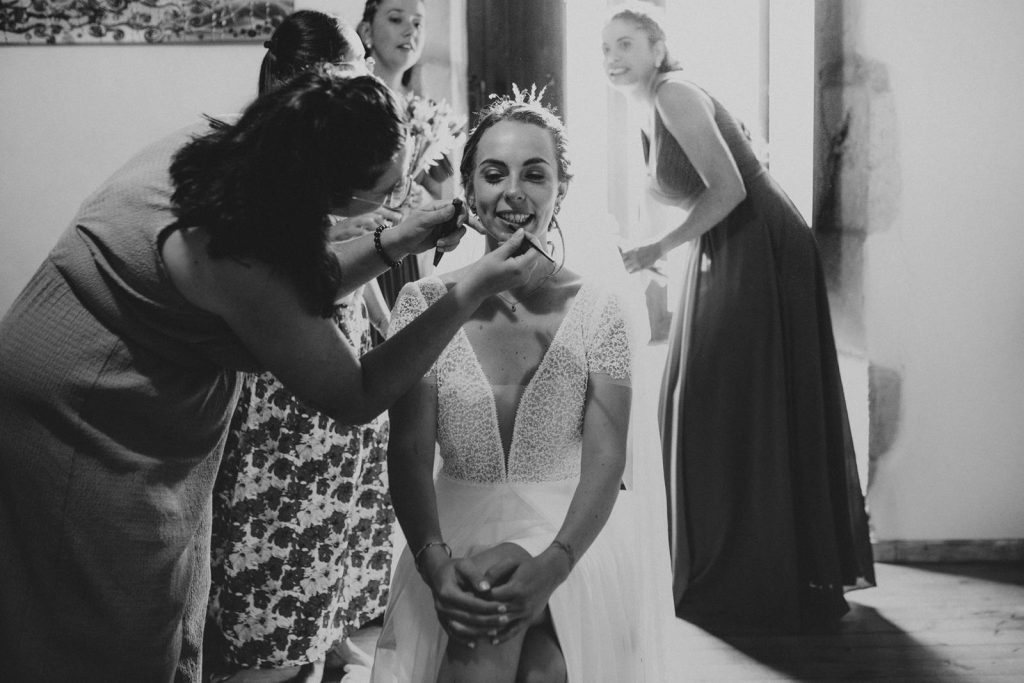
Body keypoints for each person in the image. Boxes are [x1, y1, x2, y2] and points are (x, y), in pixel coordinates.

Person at [0, 69, 541, 682]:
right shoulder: (232, 247)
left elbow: (294, 280)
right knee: (101, 618)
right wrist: (469, 289)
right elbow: (355, 392)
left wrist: (393, 240)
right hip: (81, 411)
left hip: (92, 376)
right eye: (386, 193)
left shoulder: (244, 155)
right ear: (325, 189)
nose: (399, 200)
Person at [602, 2, 876, 635]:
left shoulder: (673, 92)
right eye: (606, 48)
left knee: (722, 398)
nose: (613, 59)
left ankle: (756, 570)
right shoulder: (646, 105)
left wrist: (654, 250)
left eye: (626, 44)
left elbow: (730, 189)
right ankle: (739, 564)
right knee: (703, 399)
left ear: (657, 47)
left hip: (760, 244)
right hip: (727, 247)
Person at [370, 94, 663, 682]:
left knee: (496, 664)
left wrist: (553, 566)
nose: (514, 192)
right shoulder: (423, 304)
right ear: (470, 191)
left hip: (573, 536)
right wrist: (435, 565)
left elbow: (607, 463)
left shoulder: (599, 309)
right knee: (533, 674)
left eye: (535, 173)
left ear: (562, 190)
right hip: (449, 537)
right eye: (494, 173)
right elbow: (406, 452)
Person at [204, 12, 399, 682]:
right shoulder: (258, 170)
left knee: (336, 528)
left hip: (335, 351)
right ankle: (278, 652)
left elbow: (338, 276)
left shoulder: (310, 154)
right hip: (282, 393)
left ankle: (325, 632)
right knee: (276, 543)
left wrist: (383, 313)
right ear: (289, 82)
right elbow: (297, 282)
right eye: (335, 89)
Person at [358, 0, 462, 308]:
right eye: (395, 19)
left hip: (411, 251)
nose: (409, 31)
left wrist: (424, 202)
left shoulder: (427, 112)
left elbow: (443, 194)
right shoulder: (349, 107)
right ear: (367, 30)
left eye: (418, 23)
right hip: (361, 246)